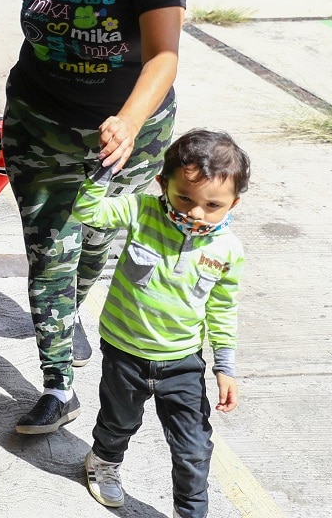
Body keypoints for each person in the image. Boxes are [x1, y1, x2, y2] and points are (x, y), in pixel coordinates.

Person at [3, 0, 187, 435]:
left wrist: (129, 122)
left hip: (126, 137)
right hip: (40, 121)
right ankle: (58, 384)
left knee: (96, 246)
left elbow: (164, 56)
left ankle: (65, 312)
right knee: (50, 250)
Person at [73, 129, 249, 517]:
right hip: (124, 351)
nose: (195, 213)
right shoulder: (141, 211)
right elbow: (88, 212)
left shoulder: (227, 250)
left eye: (212, 205)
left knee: (193, 448)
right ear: (162, 183)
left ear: (234, 203)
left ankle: (190, 512)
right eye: (184, 197)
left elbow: (222, 309)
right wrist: (104, 171)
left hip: (182, 362)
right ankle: (103, 461)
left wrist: (225, 366)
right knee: (118, 422)